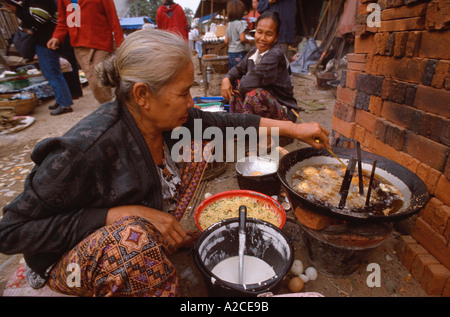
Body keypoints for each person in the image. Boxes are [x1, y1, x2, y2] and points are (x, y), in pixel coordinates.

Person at [0, 29, 329, 297]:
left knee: (200, 142)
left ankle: (149, 232)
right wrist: (119, 214)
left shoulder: (164, 121)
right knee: (137, 246)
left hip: (120, 228)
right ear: (143, 95)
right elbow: (12, 232)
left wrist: (296, 128)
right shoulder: (86, 149)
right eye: (183, 92)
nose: (191, 101)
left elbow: (227, 124)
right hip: (61, 261)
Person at [221, 11, 299, 122]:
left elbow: (247, 83)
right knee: (233, 85)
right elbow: (238, 68)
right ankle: (241, 128)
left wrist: (235, 83)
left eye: (269, 34)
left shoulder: (275, 55)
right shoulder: (255, 51)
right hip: (265, 107)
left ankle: (276, 135)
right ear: (255, 32)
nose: (262, 38)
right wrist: (226, 78)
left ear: (277, 36)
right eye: (259, 32)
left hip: (283, 110)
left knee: (254, 95)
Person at [4, 0, 74, 115]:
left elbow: (39, 18)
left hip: (47, 40)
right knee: (49, 72)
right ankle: (60, 99)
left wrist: (17, 10)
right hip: (44, 40)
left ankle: (65, 104)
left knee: (53, 73)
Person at [47, 0, 124, 104]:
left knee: (99, 77)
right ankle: (109, 106)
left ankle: (111, 106)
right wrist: (57, 37)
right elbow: (64, 20)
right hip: (79, 44)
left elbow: (113, 18)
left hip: (100, 41)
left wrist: (121, 44)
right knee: (93, 80)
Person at [225, 0, 250, 70]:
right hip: (239, 52)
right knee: (240, 71)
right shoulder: (240, 24)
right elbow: (242, 39)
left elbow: (226, 41)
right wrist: (249, 42)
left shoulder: (229, 24)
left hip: (231, 52)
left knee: (232, 71)